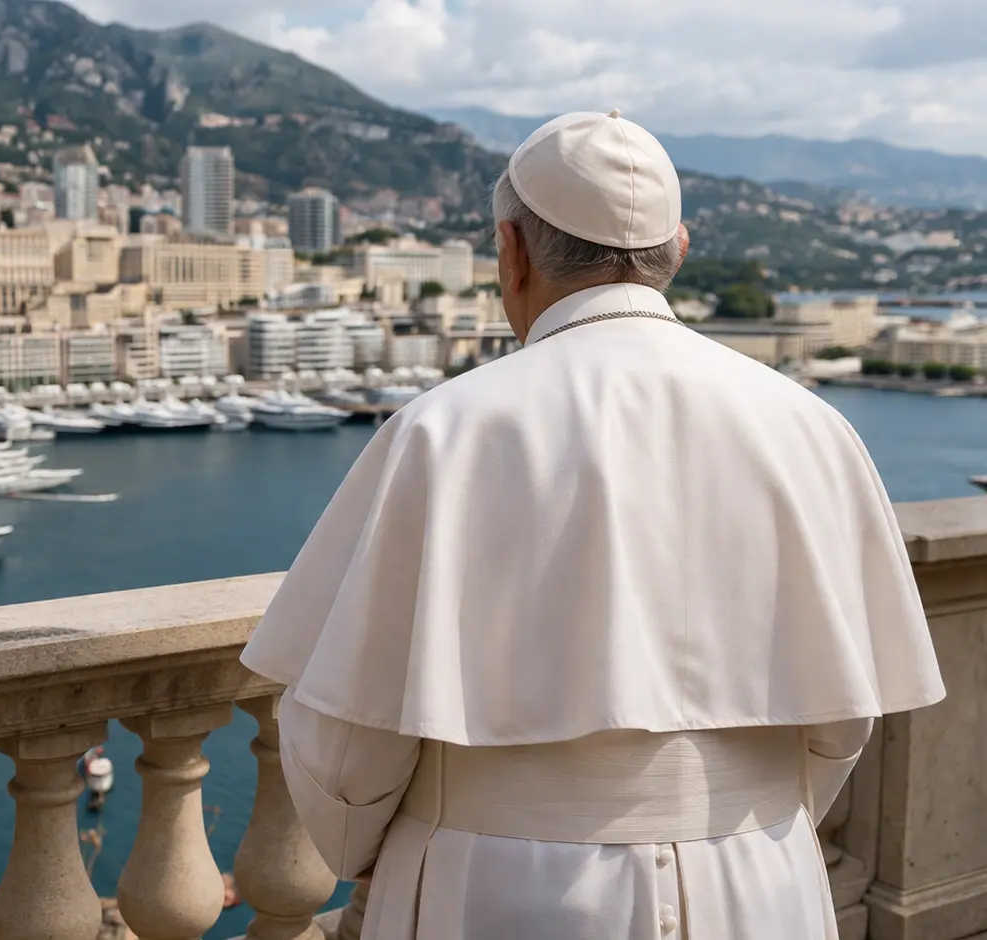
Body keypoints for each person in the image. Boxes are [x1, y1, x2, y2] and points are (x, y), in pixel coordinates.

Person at [239, 111, 946, 940]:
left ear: (510, 250)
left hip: (493, 882)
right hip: (760, 879)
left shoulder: (444, 430)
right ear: (676, 251)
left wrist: (365, 847)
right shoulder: (811, 426)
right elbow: (840, 721)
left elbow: (344, 736)